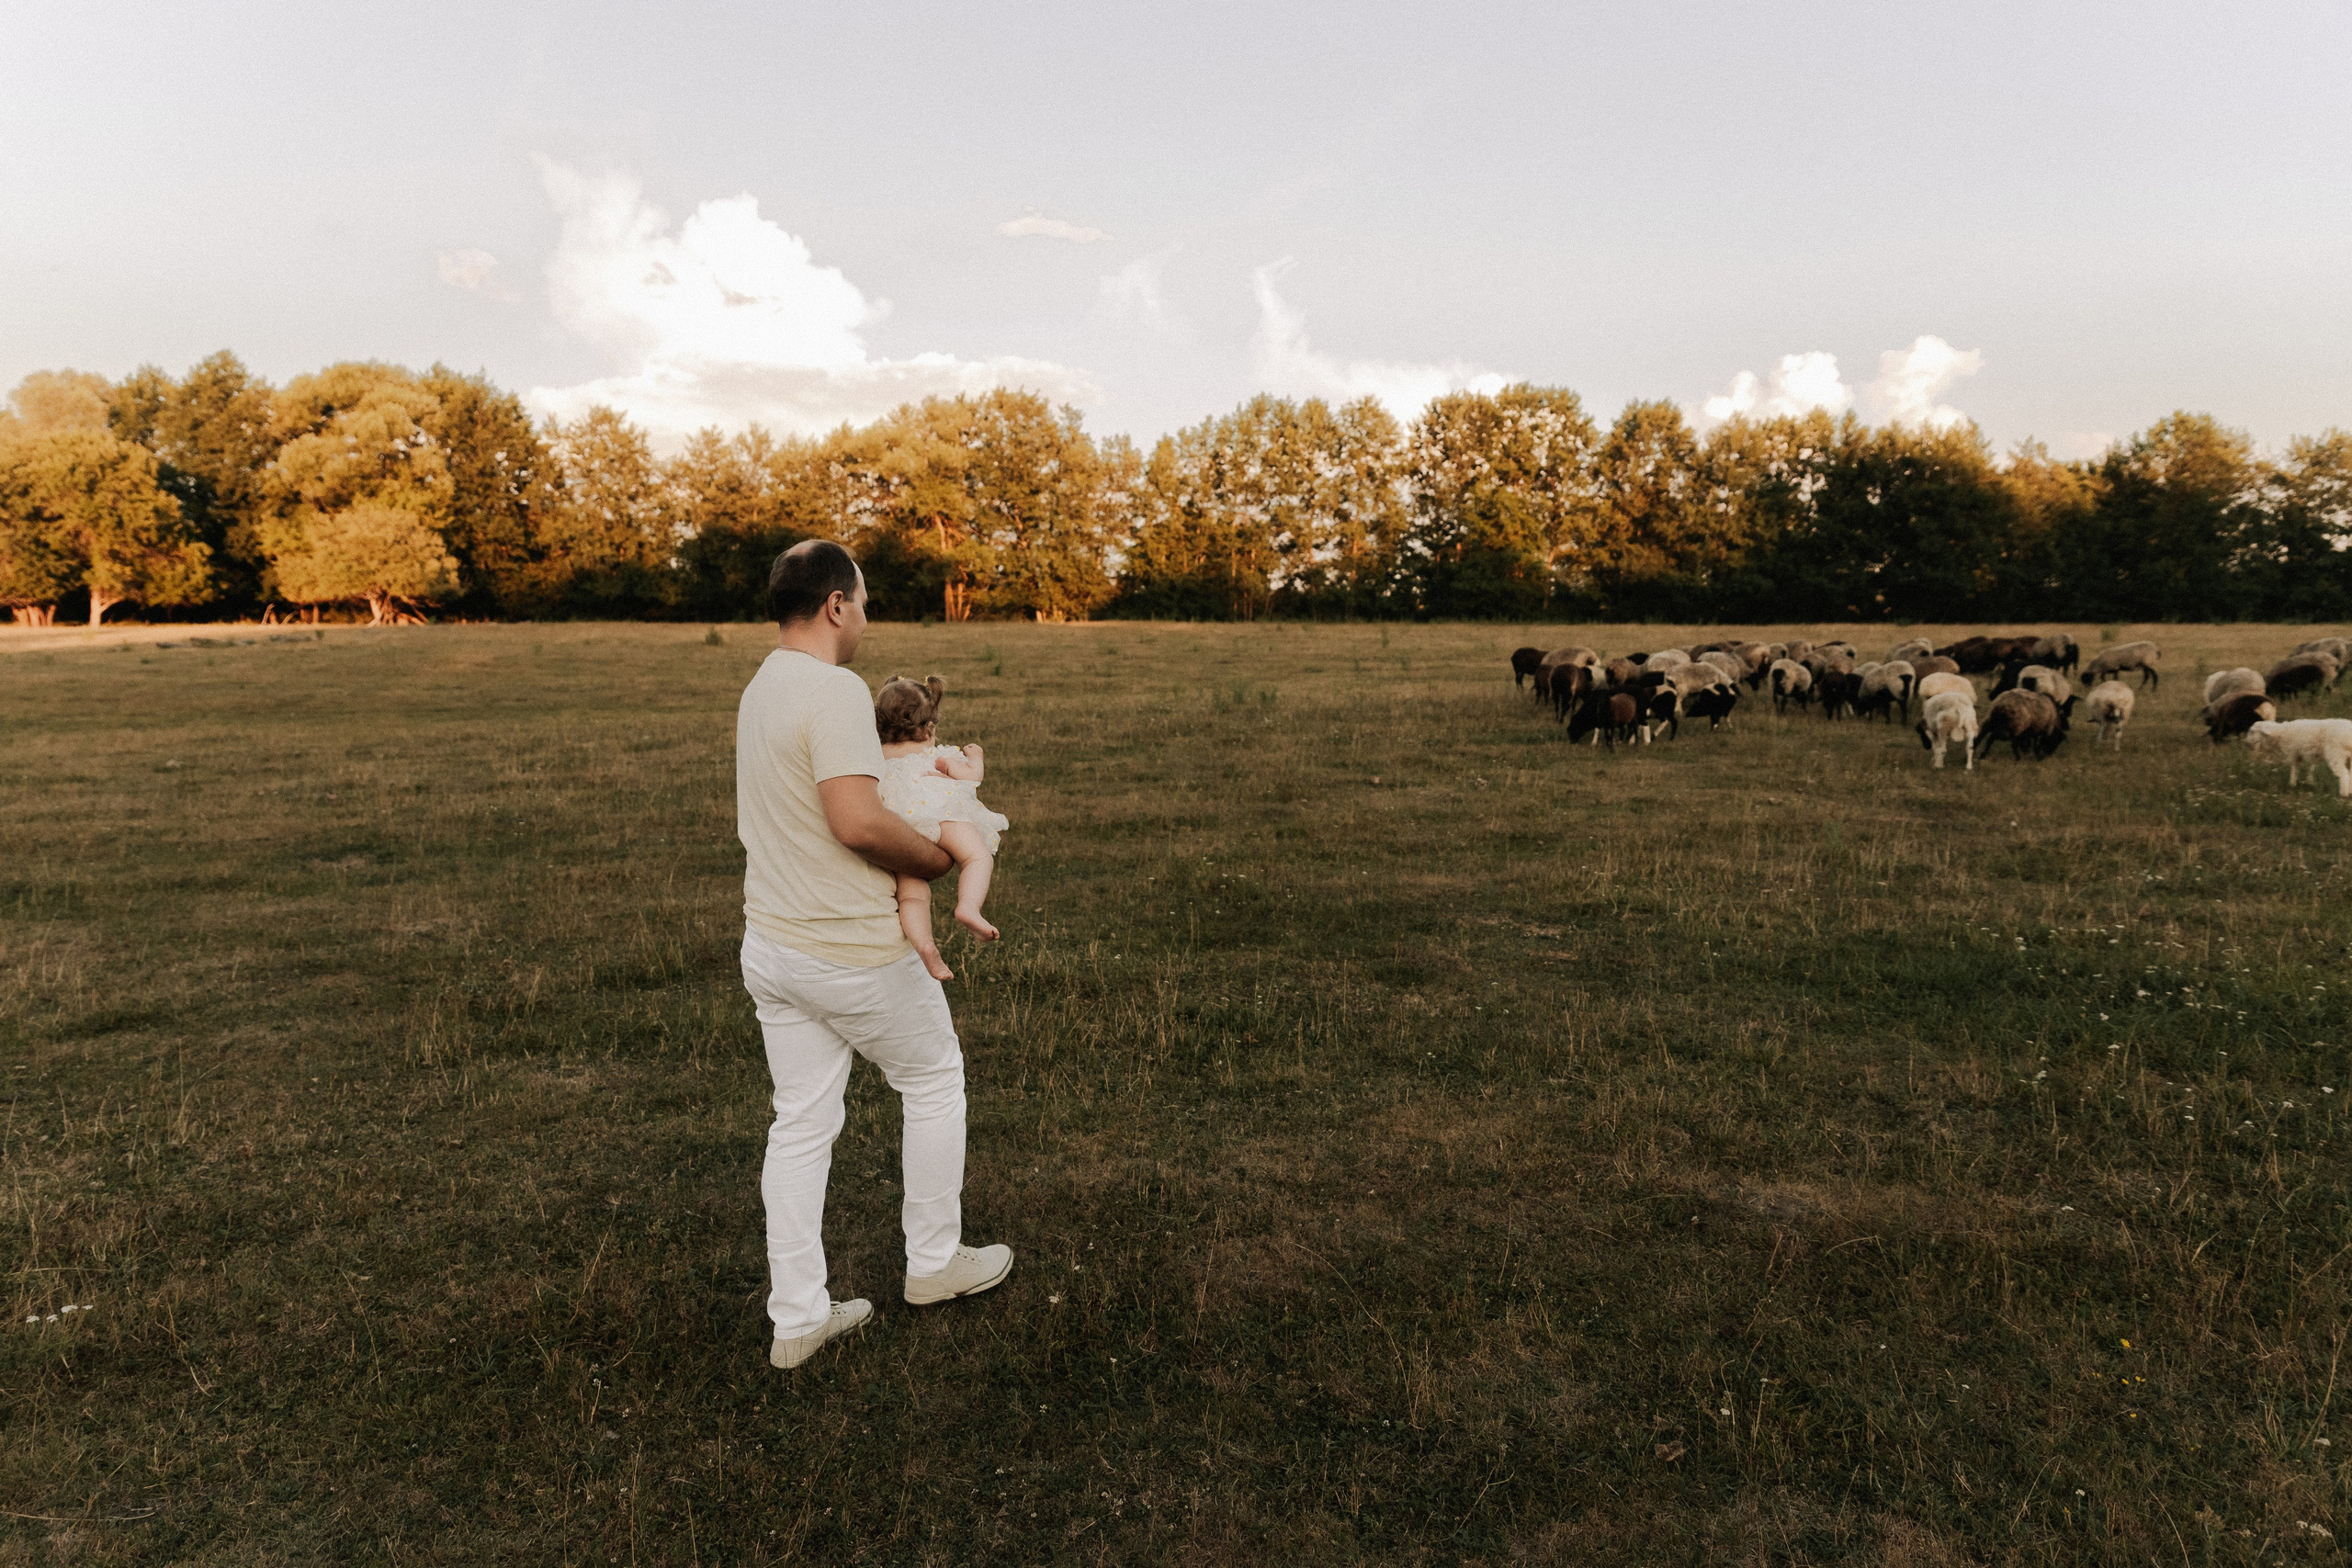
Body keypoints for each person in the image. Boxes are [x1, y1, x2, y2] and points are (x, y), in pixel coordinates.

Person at [736, 540, 1013, 1371]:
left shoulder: (761, 684)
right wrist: (937, 861)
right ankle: (932, 1263)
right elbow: (857, 820)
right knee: (933, 1078)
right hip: (849, 948)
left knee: (801, 1125)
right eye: (863, 599)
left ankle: (798, 1318)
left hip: (773, 944)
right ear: (834, 605)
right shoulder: (833, 688)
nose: (866, 614)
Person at [872, 674, 1008, 980]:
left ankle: (925, 947)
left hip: (899, 825)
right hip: (938, 813)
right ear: (929, 727)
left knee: (912, 894)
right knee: (977, 858)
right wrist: (976, 757)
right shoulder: (938, 757)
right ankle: (969, 908)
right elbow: (971, 777)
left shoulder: (876, 758)